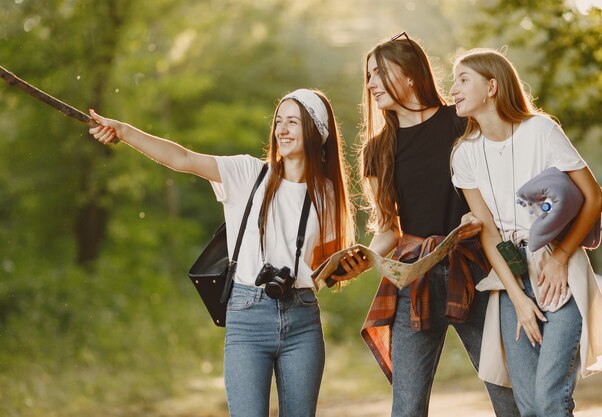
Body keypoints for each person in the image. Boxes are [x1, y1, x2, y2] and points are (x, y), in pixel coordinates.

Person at [88, 88, 355, 417]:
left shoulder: (327, 194)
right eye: (278, 122)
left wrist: (346, 269)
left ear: (316, 132)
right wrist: (125, 132)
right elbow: (182, 158)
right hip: (247, 315)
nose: (282, 130)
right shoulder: (247, 173)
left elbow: (322, 271)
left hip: (302, 318)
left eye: (293, 122)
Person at [334, 33, 520, 417]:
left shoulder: (460, 122)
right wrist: (354, 264)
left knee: (508, 393)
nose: (369, 84)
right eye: (367, 76)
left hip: (473, 269)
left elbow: (502, 175)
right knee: (406, 406)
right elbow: (387, 229)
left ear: (410, 75)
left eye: (378, 73)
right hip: (413, 278)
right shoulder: (377, 150)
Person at [450, 48, 602, 417]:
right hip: (511, 280)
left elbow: (593, 198)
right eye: (454, 81)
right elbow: (488, 233)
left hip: (559, 270)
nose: (453, 89)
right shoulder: (464, 154)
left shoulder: (541, 130)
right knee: (527, 407)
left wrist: (559, 259)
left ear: (492, 86)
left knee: (550, 401)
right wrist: (518, 299)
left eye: (463, 80)